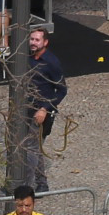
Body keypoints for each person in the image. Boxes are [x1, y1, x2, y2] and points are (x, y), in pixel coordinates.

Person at [21, 26, 66, 192]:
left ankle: (25, 187)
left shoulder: (51, 62)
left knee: (31, 148)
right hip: (27, 108)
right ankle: (42, 183)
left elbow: (62, 90)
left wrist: (45, 109)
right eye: (31, 39)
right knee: (34, 147)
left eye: (37, 40)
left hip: (42, 112)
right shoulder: (28, 58)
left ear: (45, 42)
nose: (33, 43)